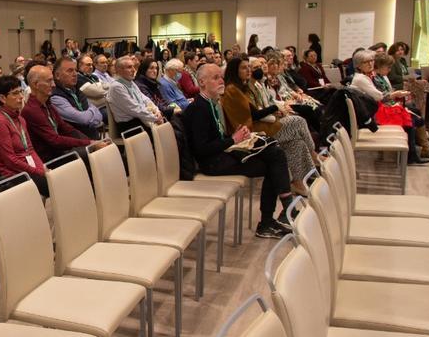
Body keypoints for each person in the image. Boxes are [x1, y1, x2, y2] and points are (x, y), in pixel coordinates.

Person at [183, 64, 295, 238]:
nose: (221, 81)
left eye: (221, 77)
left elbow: (218, 138)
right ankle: (278, 213)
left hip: (221, 155)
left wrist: (236, 136)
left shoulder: (211, 104)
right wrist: (233, 140)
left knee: (274, 153)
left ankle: (274, 217)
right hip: (212, 164)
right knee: (274, 159)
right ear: (202, 82)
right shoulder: (198, 108)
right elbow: (202, 148)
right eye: (215, 78)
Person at [221, 57, 316, 192]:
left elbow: (257, 110)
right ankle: (313, 154)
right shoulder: (232, 89)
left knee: (297, 143)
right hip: (251, 132)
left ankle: (298, 181)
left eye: (249, 67)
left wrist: (276, 109)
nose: (248, 70)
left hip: (260, 124)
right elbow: (251, 116)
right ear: (234, 70)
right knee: (298, 121)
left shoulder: (243, 87)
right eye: (244, 67)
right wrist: (276, 108)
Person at [349, 51, 428, 164]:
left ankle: (414, 154)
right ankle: (414, 154)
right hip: (373, 116)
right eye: (366, 62)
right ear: (358, 65)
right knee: (411, 121)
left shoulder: (366, 77)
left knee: (412, 119)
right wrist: (395, 95)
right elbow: (379, 96)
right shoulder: (361, 79)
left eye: (371, 61)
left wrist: (393, 96)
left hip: (374, 111)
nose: (370, 64)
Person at [0, 76, 50, 195]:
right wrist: (37, 171)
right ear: (3, 98)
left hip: (26, 169)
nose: (21, 97)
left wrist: (42, 169)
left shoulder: (20, 118)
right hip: (11, 174)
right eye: (15, 93)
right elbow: (10, 160)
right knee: (53, 185)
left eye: (21, 91)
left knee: (56, 178)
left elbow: (30, 149)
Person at [22, 65, 92, 166]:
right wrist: (89, 143)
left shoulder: (47, 104)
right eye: (49, 81)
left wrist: (91, 141)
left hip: (59, 152)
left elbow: (66, 128)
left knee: (97, 149)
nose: (54, 85)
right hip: (48, 160)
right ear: (36, 84)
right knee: (91, 153)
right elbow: (55, 140)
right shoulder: (31, 110)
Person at [107, 55, 164, 135]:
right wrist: (154, 118)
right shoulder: (116, 87)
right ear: (119, 70)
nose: (134, 70)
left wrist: (157, 111)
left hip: (140, 119)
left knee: (166, 127)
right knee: (160, 133)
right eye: (129, 67)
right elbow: (135, 109)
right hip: (129, 126)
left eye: (133, 66)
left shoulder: (131, 82)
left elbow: (146, 100)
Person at [50, 57, 104, 140]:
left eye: (75, 70)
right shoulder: (55, 96)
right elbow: (83, 119)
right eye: (70, 71)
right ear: (57, 75)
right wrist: (92, 113)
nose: (75, 74)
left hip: (91, 139)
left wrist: (89, 113)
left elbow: (99, 115)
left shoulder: (76, 90)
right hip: (76, 143)